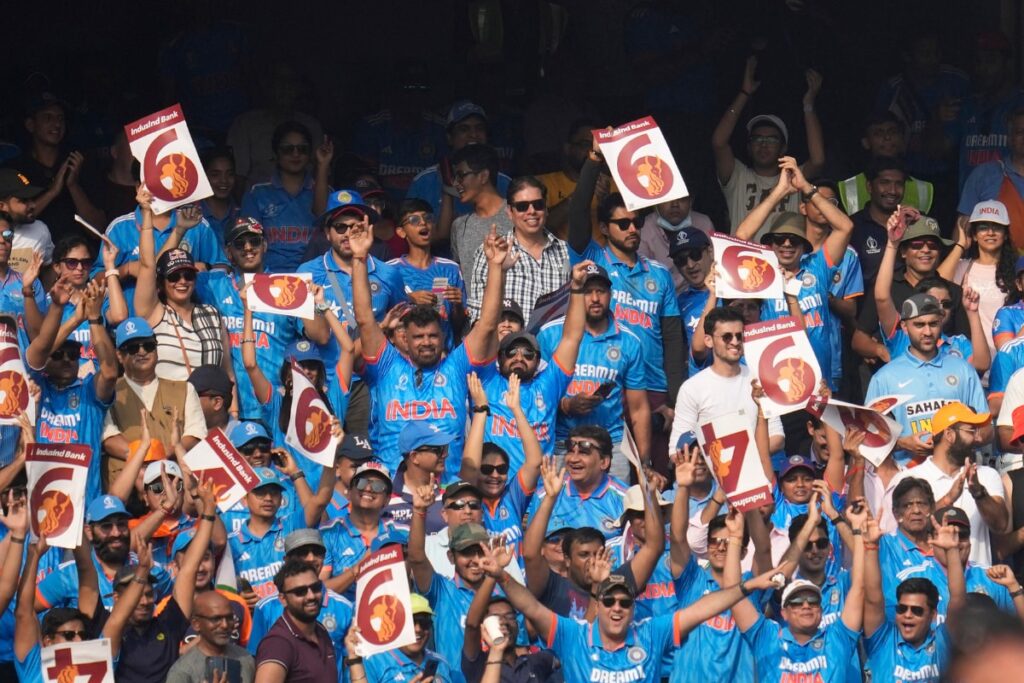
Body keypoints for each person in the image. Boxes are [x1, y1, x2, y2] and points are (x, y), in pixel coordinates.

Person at [486, 533, 787, 683]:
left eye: (624, 601)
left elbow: (704, 608)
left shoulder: (651, 632)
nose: (616, 607)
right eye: (609, 601)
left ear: (633, 607)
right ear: (599, 604)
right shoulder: (572, 636)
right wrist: (501, 575)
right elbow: (531, 606)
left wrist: (747, 587)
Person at [352, 216, 507, 478]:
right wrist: (358, 260)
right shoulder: (386, 367)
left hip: (448, 489)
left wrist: (495, 266)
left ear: (442, 336)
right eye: (418, 337)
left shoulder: (457, 367)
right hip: (392, 489)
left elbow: (489, 324)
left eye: (433, 336)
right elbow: (365, 319)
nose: (426, 342)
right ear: (404, 339)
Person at [568, 142, 685, 471]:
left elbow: (674, 339)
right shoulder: (593, 261)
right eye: (623, 224)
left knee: (655, 477)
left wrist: (674, 399)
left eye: (636, 222)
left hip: (656, 389)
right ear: (604, 229)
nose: (632, 229)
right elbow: (578, 214)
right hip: (609, 385)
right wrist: (592, 162)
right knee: (611, 476)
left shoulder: (659, 274)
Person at [734, 156, 854, 390]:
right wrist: (779, 192)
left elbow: (845, 226)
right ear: (769, 245)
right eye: (779, 239)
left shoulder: (816, 266)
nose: (787, 244)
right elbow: (741, 237)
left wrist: (807, 189)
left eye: (794, 240)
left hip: (818, 382)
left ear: (804, 246)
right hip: (774, 383)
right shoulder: (761, 272)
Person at [730, 500, 868, 683]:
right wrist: (734, 539)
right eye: (796, 602)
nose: (806, 606)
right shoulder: (768, 637)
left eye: (813, 601)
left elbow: (860, 584)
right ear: (783, 612)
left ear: (821, 609)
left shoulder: (836, 638)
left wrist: (857, 529)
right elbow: (733, 595)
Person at [474, 261, 588, 472]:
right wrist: (497, 268)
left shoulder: (549, 384)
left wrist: (578, 288)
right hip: (493, 485)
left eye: (528, 353)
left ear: (538, 361)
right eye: (511, 351)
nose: (519, 356)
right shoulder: (486, 380)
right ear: (498, 358)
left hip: (539, 491)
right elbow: (488, 325)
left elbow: (572, 337)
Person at [537, 262, 651, 467]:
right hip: (562, 443)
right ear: (576, 294)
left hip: (612, 445)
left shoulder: (630, 341)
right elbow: (535, 396)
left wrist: (644, 464)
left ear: (611, 294)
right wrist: (567, 405)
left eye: (601, 291)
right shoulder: (549, 334)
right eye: (587, 292)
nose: (595, 299)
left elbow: (639, 408)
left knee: (616, 500)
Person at [865, 294, 988, 465]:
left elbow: (987, 428)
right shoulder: (884, 378)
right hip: (908, 477)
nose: (928, 332)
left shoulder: (963, 369)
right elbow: (868, 439)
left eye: (933, 324)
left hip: (959, 472)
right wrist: (902, 443)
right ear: (905, 327)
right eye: (919, 325)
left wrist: (963, 440)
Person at [25, 277, 116, 500]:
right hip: (42, 504)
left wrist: (94, 320)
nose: (67, 360)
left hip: (84, 508)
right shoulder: (36, 385)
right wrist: (73, 319)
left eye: (73, 355)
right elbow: (39, 355)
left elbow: (111, 373)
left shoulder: (89, 392)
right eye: (59, 355)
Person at [711, 56, 824, 232]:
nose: (763, 145)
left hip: (785, 258)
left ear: (783, 148)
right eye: (757, 139)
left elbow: (817, 160)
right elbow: (719, 142)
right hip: (743, 258)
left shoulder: (793, 178)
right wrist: (744, 93)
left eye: (771, 140)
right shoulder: (737, 175)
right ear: (748, 147)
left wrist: (808, 105)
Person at [134, 188, 234, 384]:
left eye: (188, 275)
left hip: (208, 412)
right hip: (169, 412)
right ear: (161, 282)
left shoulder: (212, 314)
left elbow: (228, 374)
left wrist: (233, 414)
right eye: (173, 276)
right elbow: (148, 266)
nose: (182, 281)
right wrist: (147, 213)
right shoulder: (152, 313)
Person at [888, 402, 1006, 566]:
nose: (977, 438)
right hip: (927, 585)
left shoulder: (987, 475)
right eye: (971, 431)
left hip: (977, 585)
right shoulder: (909, 479)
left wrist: (979, 493)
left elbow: (1001, 525)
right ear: (949, 435)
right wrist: (948, 499)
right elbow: (896, 535)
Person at [101, 317, 207, 485]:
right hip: (126, 494)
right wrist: (151, 458)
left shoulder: (185, 389)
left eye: (149, 346)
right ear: (120, 356)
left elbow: (195, 436)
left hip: (175, 486)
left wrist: (163, 455)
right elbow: (109, 440)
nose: (142, 352)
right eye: (133, 348)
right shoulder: (108, 391)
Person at [863, 510, 964, 683]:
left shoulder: (942, 641)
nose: (907, 615)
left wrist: (952, 551)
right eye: (902, 609)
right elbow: (873, 598)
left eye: (917, 610)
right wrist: (871, 547)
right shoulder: (882, 640)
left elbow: (958, 600)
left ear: (933, 614)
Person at [670, 307, 786, 453]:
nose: (735, 342)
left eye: (739, 336)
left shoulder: (759, 380)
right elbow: (677, 448)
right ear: (709, 340)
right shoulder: (692, 388)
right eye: (727, 337)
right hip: (712, 474)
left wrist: (741, 461)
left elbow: (777, 436)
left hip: (759, 473)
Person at [467, 177, 570, 324]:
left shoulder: (566, 252)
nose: (532, 211)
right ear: (509, 212)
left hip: (558, 345)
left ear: (546, 209)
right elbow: (477, 317)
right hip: (509, 345)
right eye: (522, 206)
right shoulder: (491, 253)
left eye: (538, 204)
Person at [248, 529, 353, 674]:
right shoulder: (266, 607)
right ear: (286, 560)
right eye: (303, 553)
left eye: (317, 552)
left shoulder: (345, 608)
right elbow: (255, 661)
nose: (311, 558)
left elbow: (351, 663)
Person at [9, 92, 106, 245]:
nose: (56, 124)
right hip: (31, 260)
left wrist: (73, 186)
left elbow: (98, 230)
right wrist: (53, 192)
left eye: (60, 118)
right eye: (48, 118)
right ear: (30, 125)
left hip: (77, 262)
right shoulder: (16, 168)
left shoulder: (78, 163)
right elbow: (9, 222)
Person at [407, 100, 511, 240]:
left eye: (479, 128)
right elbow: (413, 237)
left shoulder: (505, 182)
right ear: (450, 138)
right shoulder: (424, 181)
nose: (473, 135)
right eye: (464, 129)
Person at [939, 200, 1020, 357]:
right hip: (968, 362)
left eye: (996, 227)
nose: (990, 232)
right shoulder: (962, 267)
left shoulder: (1017, 269)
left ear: (1005, 235)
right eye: (983, 227)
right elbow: (936, 284)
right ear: (974, 235)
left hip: (1009, 361)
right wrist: (961, 244)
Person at [240, 121, 322, 272]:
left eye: (302, 149)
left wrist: (323, 165)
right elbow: (248, 243)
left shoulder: (323, 192)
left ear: (310, 154)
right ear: (276, 153)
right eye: (287, 149)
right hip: (269, 276)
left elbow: (324, 220)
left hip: (317, 277)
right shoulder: (257, 193)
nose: (295, 154)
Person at [386, 198, 467, 351]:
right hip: (404, 362)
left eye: (428, 218)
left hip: (444, 359)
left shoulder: (451, 268)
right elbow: (381, 317)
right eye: (414, 220)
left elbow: (458, 325)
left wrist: (457, 305)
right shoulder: (390, 270)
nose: (423, 223)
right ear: (401, 232)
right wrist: (409, 298)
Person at [320, 461, 407, 596]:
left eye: (378, 486)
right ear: (349, 492)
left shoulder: (402, 533)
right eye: (361, 482)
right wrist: (360, 567)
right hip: (342, 615)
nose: (368, 489)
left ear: (387, 500)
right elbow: (318, 590)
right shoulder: (329, 533)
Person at [253, 560, 338, 683]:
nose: (311, 596)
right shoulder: (278, 643)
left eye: (315, 588)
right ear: (283, 599)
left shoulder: (320, 630)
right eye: (300, 592)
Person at [839, 112, 935, 215]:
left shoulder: (923, 188)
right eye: (878, 133)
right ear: (866, 142)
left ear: (902, 138)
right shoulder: (848, 187)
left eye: (893, 132)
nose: (887, 137)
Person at [446, 144, 515, 284]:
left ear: (483, 176)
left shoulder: (518, 215)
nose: (455, 183)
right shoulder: (459, 226)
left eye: (461, 176)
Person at [958, 109, 1024, 249]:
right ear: (1010, 138)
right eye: (1020, 132)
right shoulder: (984, 174)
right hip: (994, 266)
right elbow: (962, 228)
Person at [166, 591, 256, 683]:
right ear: (196, 624)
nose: (224, 625)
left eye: (229, 618)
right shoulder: (182, 671)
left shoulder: (246, 659)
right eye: (216, 619)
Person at [362, 594, 452, 682]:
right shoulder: (374, 663)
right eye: (410, 622)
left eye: (424, 622)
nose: (418, 629)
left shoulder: (441, 663)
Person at [641, 196, 716, 293]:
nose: (675, 204)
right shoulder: (644, 229)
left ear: (691, 200)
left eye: (696, 255)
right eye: (680, 260)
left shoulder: (704, 223)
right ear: (656, 201)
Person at [0, 168, 54, 276]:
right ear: (1, 206)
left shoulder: (39, 230)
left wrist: (45, 293)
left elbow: (50, 267)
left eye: (32, 199)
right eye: (24, 200)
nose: (33, 205)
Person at [199, 147, 241, 243]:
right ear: (204, 176)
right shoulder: (191, 214)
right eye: (215, 175)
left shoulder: (242, 213)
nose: (224, 180)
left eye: (229, 174)